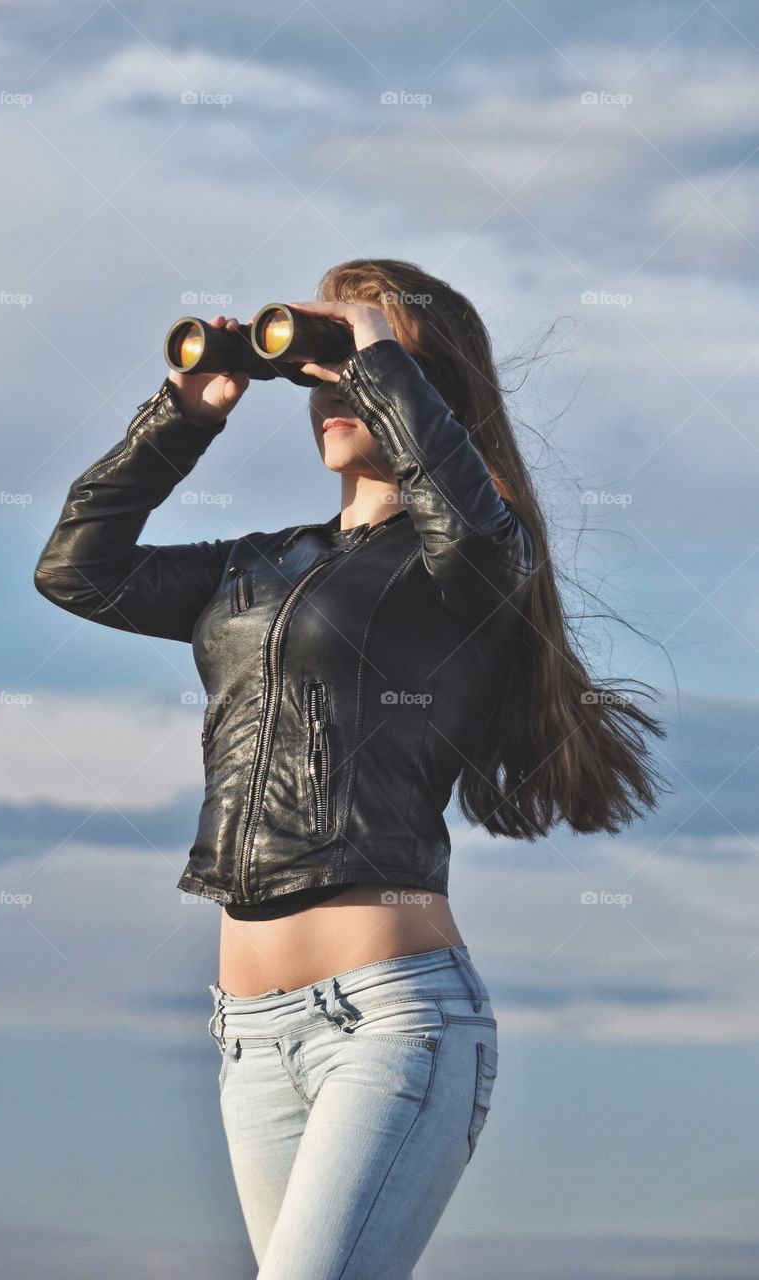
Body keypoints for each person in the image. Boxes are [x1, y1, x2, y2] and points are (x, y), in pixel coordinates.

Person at [34, 258, 668, 1279]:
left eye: (358, 369)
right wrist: (185, 414)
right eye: (321, 376)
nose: (332, 391)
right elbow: (77, 569)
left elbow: (465, 525)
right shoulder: (258, 563)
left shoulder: (468, 566)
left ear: (423, 393)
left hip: (392, 1021)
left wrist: (372, 346)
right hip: (248, 1037)